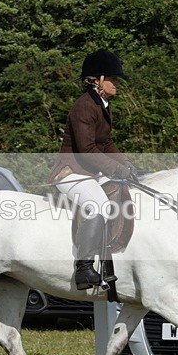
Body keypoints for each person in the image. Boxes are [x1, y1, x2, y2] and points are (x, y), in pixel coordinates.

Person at [49, 49, 136, 290]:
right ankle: (84, 268)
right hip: (70, 171)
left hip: (88, 171)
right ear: (97, 80)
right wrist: (116, 170)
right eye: (113, 79)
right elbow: (87, 149)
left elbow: (106, 142)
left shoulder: (103, 105)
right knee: (99, 205)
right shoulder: (84, 107)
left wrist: (126, 165)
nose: (117, 84)